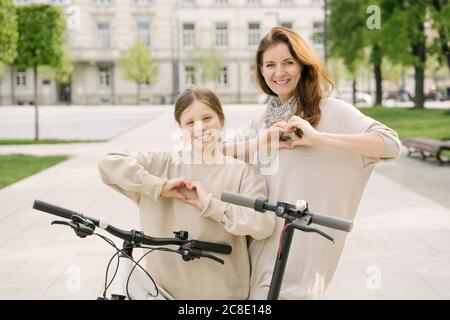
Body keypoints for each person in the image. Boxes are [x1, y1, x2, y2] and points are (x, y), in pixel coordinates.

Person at [223, 27, 401, 299]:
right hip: (258, 252)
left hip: (301, 254)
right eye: (270, 65)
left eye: (288, 63)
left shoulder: (332, 110)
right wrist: (260, 142)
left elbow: (389, 144)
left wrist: (318, 138)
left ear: (303, 65)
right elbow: (216, 154)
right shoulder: (263, 121)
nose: (279, 72)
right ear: (261, 71)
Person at [98, 87, 275, 299]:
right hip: (162, 292)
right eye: (190, 122)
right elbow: (107, 164)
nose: (200, 127)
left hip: (224, 294)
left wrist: (213, 206)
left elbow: (263, 224)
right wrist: (159, 186)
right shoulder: (162, 164)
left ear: (221, 119)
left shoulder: (242, 172)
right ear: (181, 128)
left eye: (207, 118)